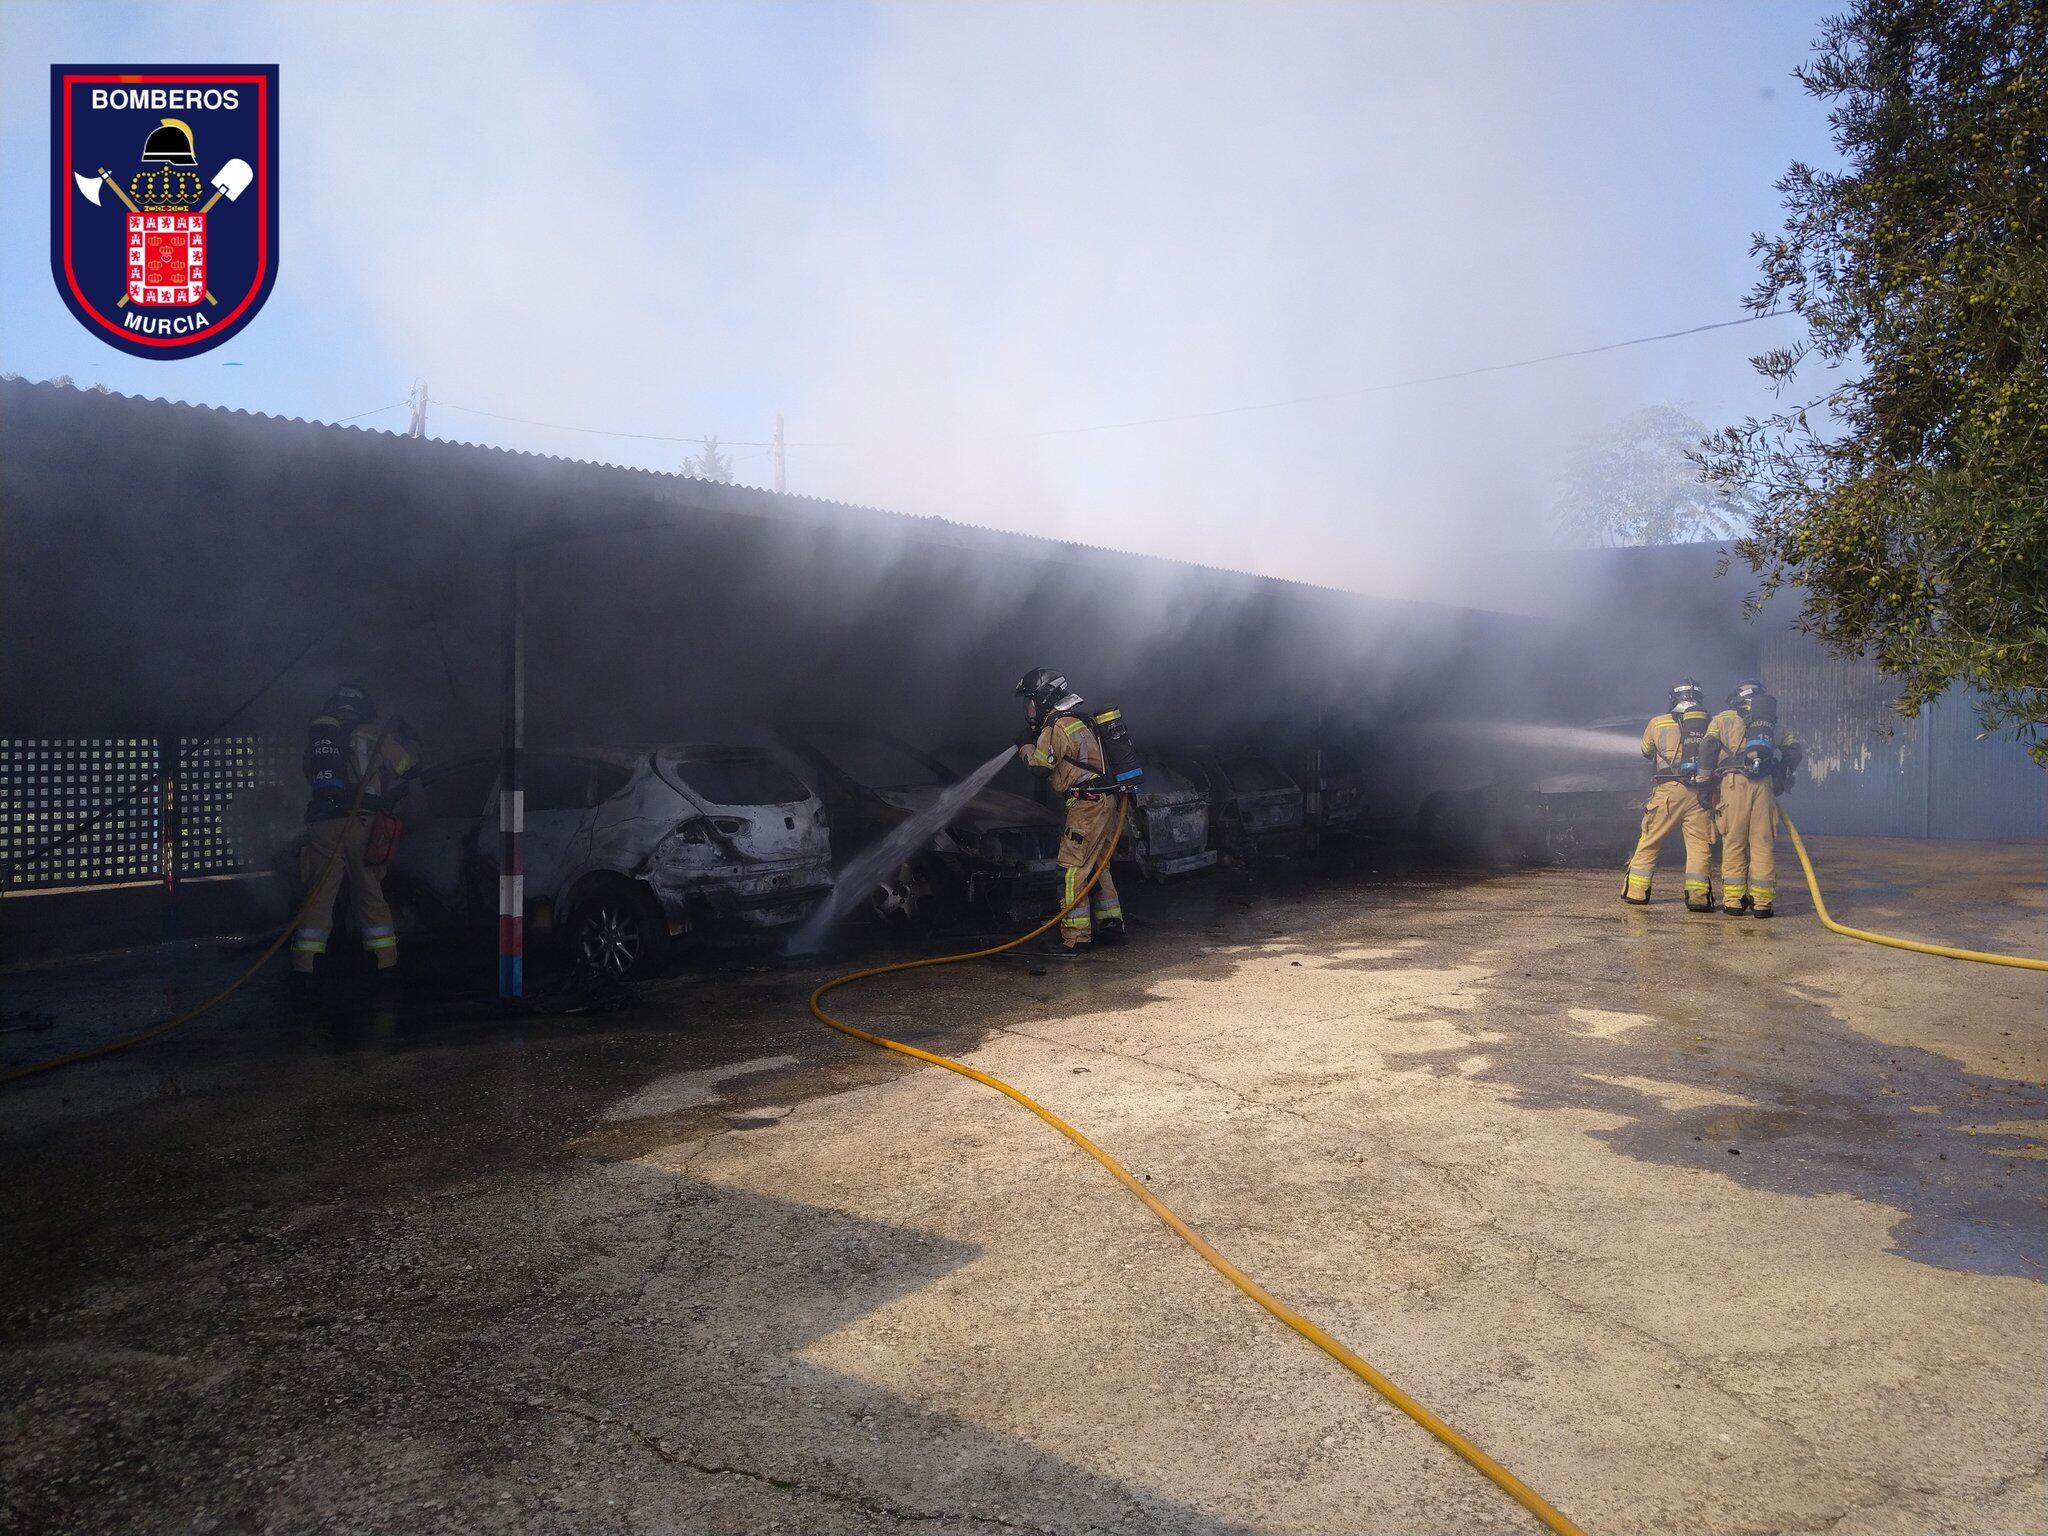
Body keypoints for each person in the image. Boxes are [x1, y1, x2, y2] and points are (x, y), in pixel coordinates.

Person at [292, 685, 422, 980]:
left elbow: (308, 773)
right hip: (363, 822)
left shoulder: (321, 739)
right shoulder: (376, 734)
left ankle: (304, 968)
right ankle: (384, 963)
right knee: (370, 892)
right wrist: (411, 742)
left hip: (323, 824)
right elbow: (408, 768)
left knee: (318, 897)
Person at [1014, 667, 1124, 955]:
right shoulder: (1080, 719)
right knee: (1098, 866)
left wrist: (1024, 746)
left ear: (1045, 697)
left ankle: (1076, 937)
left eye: (1030, 701)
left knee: (1071, 870)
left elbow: (1040, 766)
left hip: (1086, 806)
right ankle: (1111, 926)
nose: (1029, 708)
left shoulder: (1056, 725)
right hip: (1103, 801)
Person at [1705, 679, 1802, 918]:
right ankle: (1762, 904)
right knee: (1762, 844)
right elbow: (1794, 751)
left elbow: (1707, 747)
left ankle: (1734, 902)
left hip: (1733, 783)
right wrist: (1781, 772)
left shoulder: (1722, 719)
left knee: (1734, 842)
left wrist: (1704, 781)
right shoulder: (1770, 723)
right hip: (1764, 786)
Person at [1624, 678, 1716, 911]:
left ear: (1673, 699)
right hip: (1699, 794)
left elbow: (1646, 751)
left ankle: (1636, 892)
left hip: (1667, 792)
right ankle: (1698, 897)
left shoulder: (1658, 723)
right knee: (1698, 846)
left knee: (1651, 840)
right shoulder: (1709, 723)